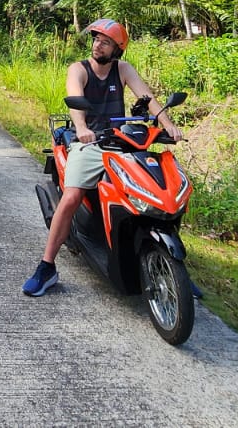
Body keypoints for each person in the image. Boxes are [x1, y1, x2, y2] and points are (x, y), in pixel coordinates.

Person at [22, 17, 181, 297]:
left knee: (159, 189)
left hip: (121, 142)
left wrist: (167, 124)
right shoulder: (79, 69)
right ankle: (47, 266)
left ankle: (171, 267)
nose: (98, 45)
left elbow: (147, 97)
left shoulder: (123, 69)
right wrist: (82, 128)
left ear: (117, 49)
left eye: (105, 42)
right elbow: (75, 99)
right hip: (91, 144)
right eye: (96, 39)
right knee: (71, 196)